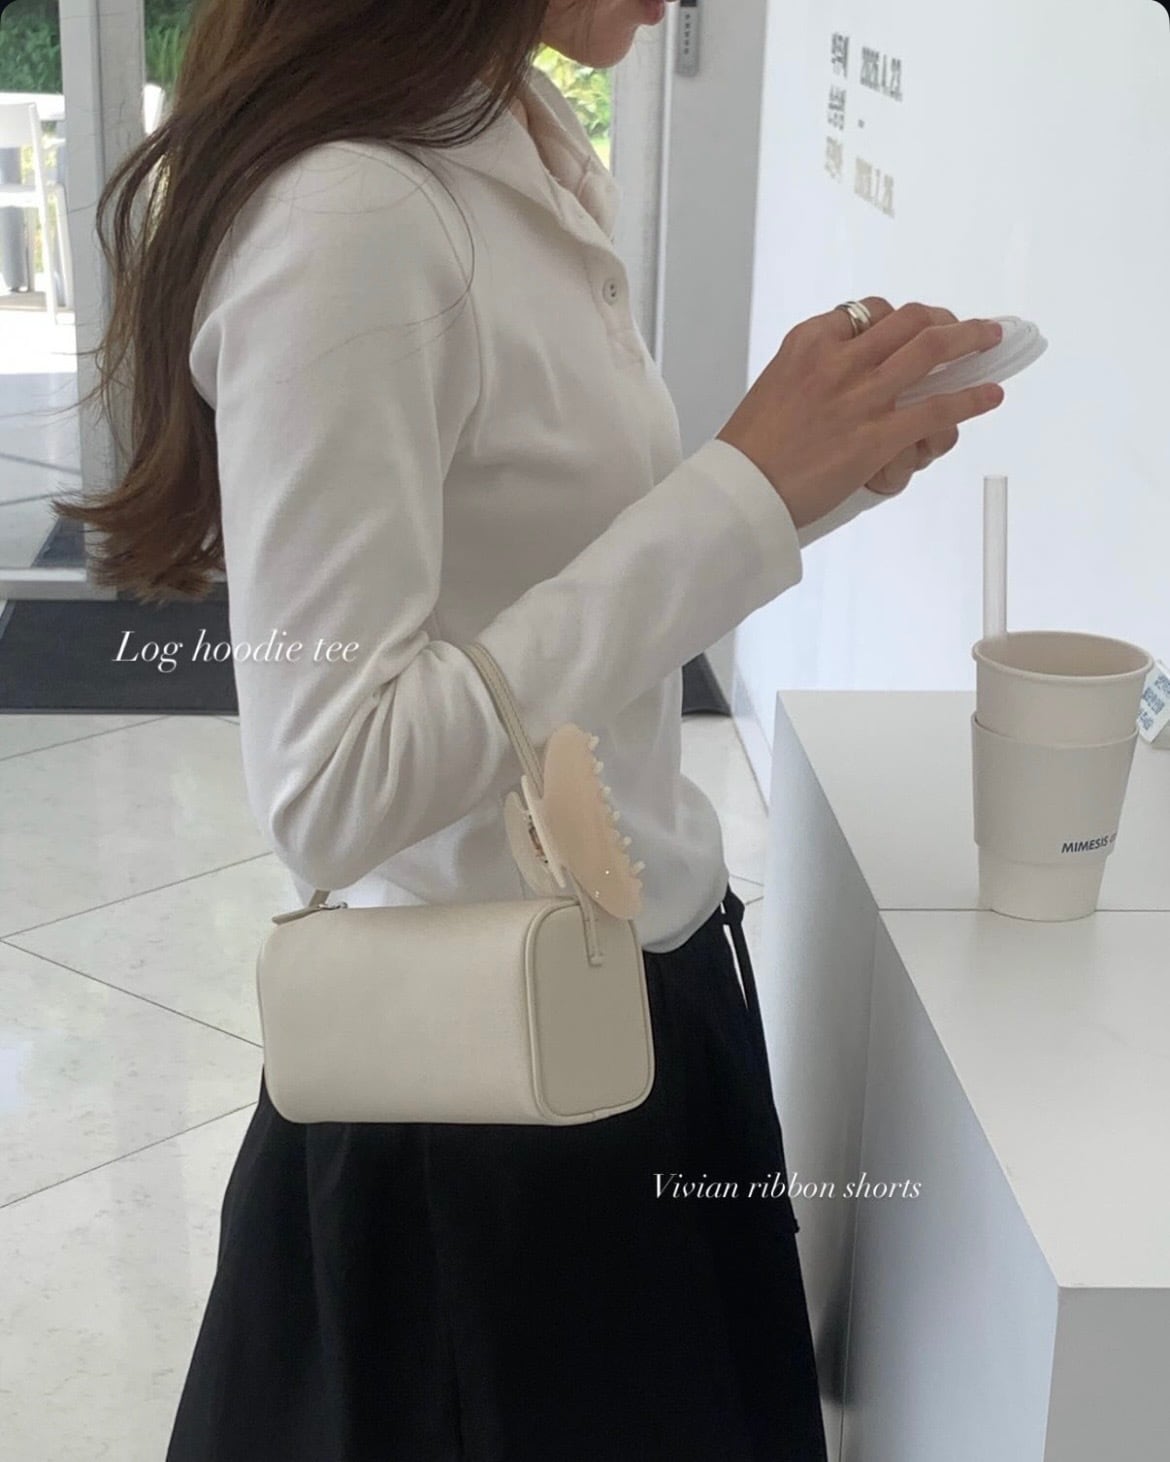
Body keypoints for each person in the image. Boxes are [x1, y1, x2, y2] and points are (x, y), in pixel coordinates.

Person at [54, 1, 1006, 1457]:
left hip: (644, 988)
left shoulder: (517, 137)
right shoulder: (359, 214)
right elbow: (331, 779)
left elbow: (543, 576)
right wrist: (738, 496)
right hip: (483, 1102)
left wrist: (801, 477)